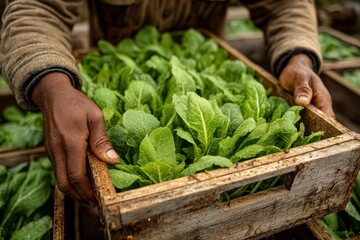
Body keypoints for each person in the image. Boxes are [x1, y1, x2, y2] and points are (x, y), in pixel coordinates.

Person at [0, 0, 334, 206]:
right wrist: (52, 85)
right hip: (120, 53)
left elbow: (284, 5)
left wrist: (298, 55)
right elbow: (37, 7)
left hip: (202, 49)